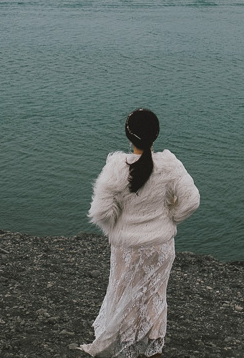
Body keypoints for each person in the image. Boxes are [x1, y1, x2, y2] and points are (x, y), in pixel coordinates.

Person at [80, 108, 200, 358]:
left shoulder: (116, 167)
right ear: (155, 135)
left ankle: (128, 349)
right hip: (160, 246)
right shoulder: (170, 164)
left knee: (125, 295)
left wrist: (117, 226)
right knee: (154, 296)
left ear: (128, 135)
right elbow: (191, 201)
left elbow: (101, 212)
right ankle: (153, 350)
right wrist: (171, 218)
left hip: (127, 247)